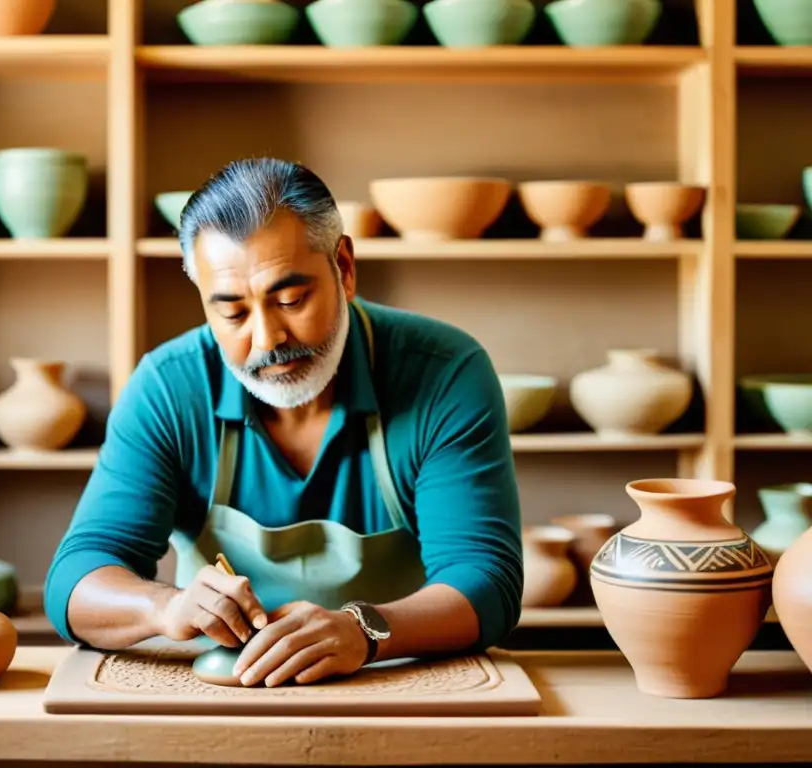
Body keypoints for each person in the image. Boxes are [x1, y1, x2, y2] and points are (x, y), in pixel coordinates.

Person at [44, 157, 523, 688]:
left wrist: (365, 628)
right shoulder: (169, 386)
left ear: (344, 267)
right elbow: (74, 579)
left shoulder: (444, 371)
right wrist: (166, 607)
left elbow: (487, 582)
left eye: (291, 299)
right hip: (221, 695)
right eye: (232, 312)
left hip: (398, 684)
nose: (268, 338)